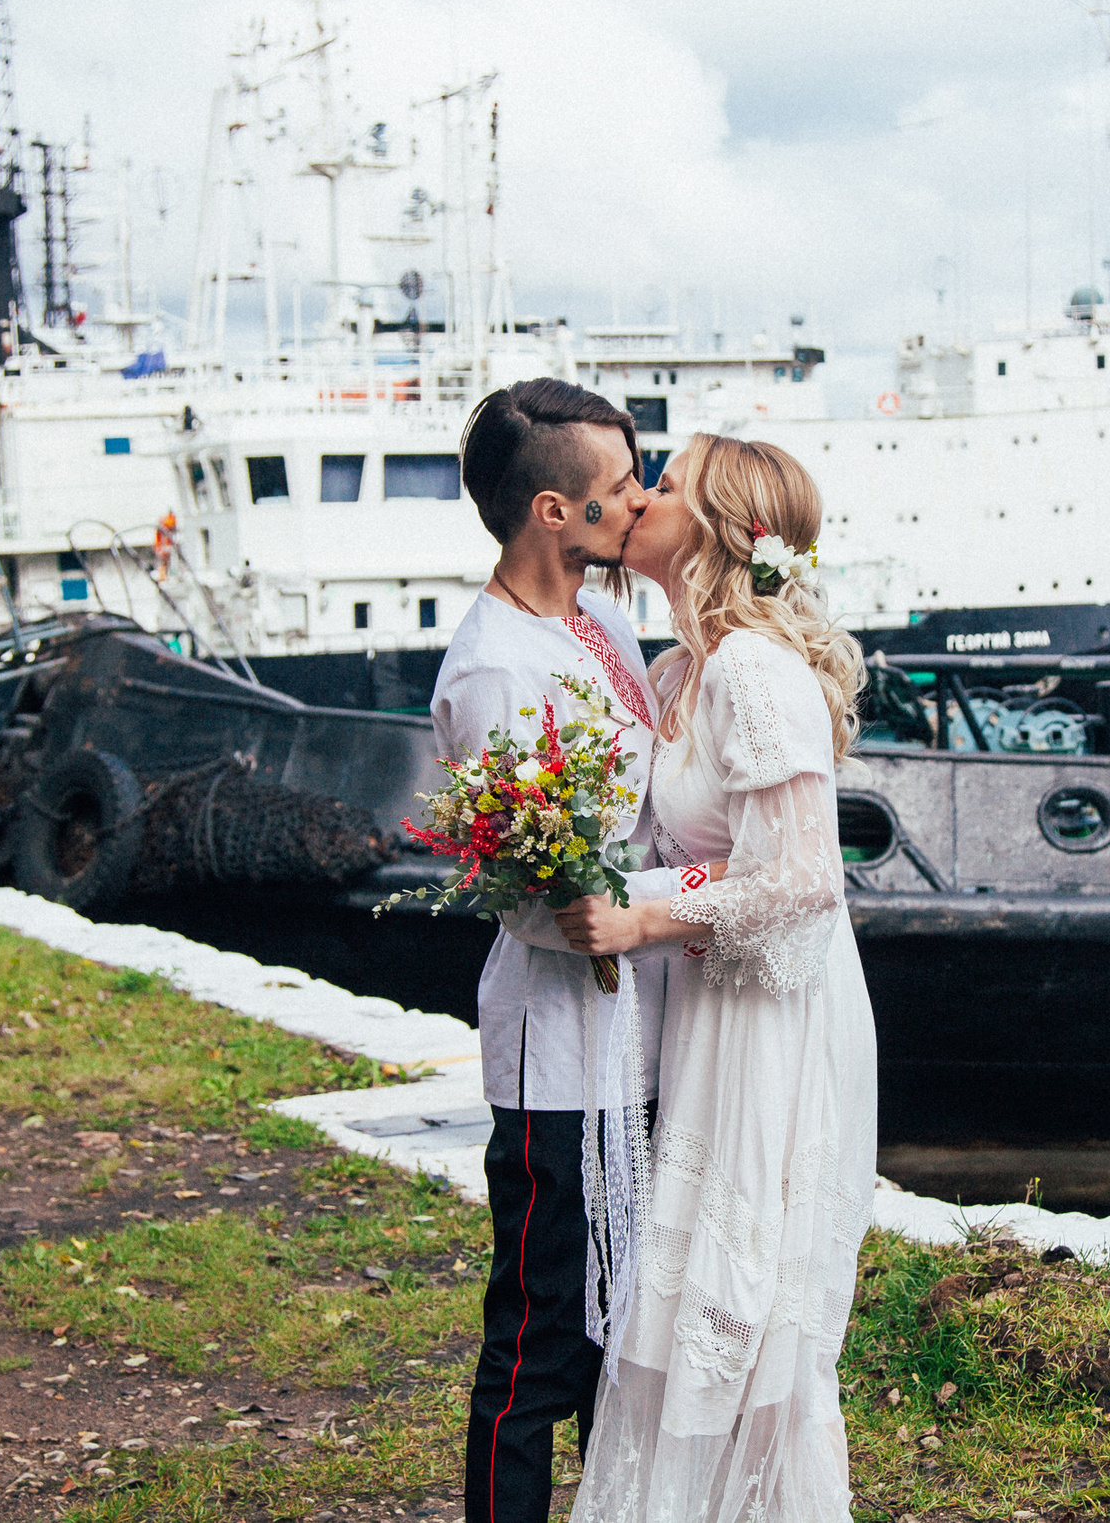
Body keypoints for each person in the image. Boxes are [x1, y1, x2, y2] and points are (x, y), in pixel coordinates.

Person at [553, 432, 877, 1523]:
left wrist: (640, 916)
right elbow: (727, 855)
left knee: (733, 1293)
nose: (637, 496)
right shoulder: (678, 670)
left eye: (667, 483)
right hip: (710, 1001)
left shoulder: (752, 668)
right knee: (688, 1281)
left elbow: (800, 880)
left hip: (770, 1015)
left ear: (720, 529)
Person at [434, 378, 719, 1523]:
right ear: (552, 513)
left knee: (623, 1328)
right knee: (541, 1338)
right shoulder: (497, 665)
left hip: (635, 1023)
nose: (638, 501)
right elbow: (522, 891)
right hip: (558, 1045)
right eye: (615, 490)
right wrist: (680, 897)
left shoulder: (597, 621)